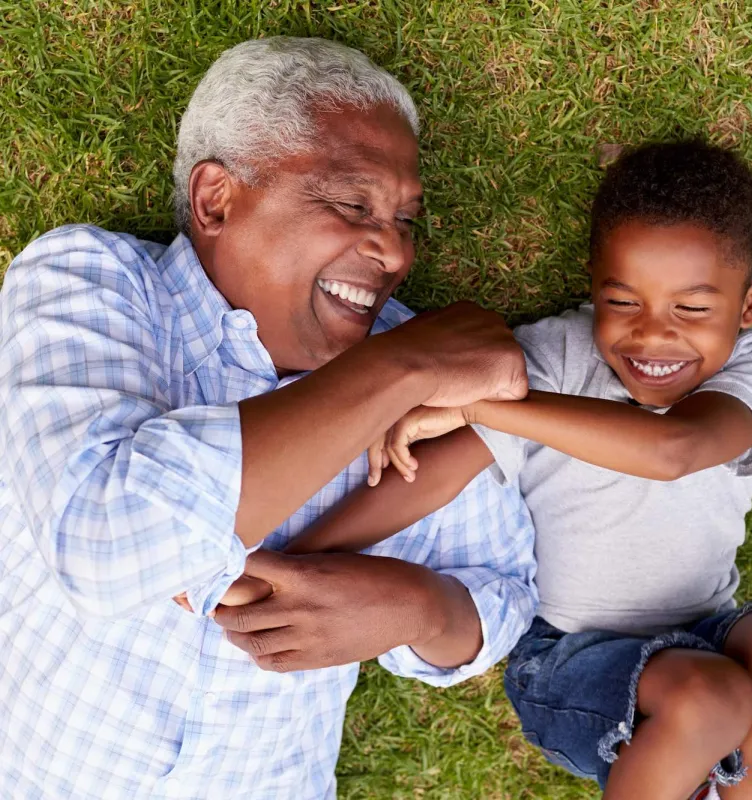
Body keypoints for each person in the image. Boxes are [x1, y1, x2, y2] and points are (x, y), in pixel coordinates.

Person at [0, 38, 538, 799]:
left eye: (405, 219)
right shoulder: (90, 282)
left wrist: (415, 608)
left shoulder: (423, 373)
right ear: (216, 198)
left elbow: (503, 593)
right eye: (353, 205)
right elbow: (105, 544)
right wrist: (395, 370)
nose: (392, 251)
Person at [282, 142, 752, 800]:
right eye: (623, 302)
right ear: (593, 283)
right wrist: (304, 556)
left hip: (709, 626)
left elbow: (676, 451)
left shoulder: (751, 368)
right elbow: (438, 472)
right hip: (568, 659)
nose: (652, 338)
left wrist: (485, 405)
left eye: (692, 310)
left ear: (748, 305)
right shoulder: (553, 355)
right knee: (712, 695)